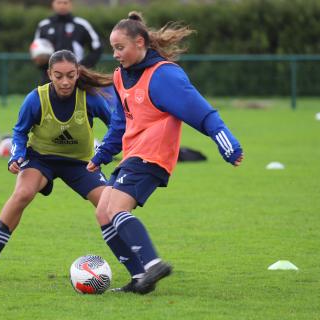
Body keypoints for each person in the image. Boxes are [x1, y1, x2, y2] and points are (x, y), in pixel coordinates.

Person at [87, 12, 244, 294]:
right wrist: (102, 155)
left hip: (154, 155)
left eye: (119, 48)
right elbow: (120, 123)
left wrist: (227, 143)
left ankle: (153, 263)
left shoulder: (164, 76)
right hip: (133, 154)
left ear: (140, 43)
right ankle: (140, 279)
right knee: (102, 212)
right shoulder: (121, 77)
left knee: (115, 208)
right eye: (113, 48)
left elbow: (202, 113)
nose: (115, 54)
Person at [0, 50, 114, 277]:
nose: (65, 81)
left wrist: (103, 152)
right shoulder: (36, 98)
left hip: (80, 163)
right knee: (22, 194)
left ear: (77, 74)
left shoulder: (90, 98)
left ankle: (139, 264)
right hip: (40, 159)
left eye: (70, 75)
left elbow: (116, 126)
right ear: (49, 74)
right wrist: (15, 156)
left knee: (110, 206)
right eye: (58, 76)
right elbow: (19, 132)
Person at [33, 0, 103, 84]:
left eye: (65, 2)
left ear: (71, 4)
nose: (62, 6)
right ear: (53, 4)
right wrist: (43, 64)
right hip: (50, 77)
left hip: (76, 77)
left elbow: (97, 47)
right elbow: (36, 49)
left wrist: (83, 67)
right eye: (59, 2)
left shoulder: (81, 25)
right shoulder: (44, 25)